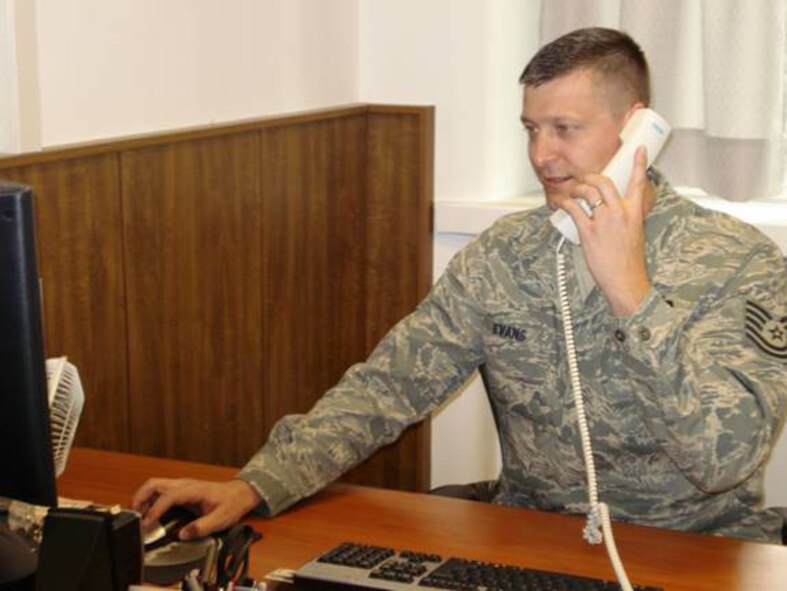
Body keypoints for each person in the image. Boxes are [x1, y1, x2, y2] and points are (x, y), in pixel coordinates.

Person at [133, 27, 787, 544]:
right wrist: (258, 483)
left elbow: (724, 459)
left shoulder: (739, 263)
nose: (540, 155)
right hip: (532, 538)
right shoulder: (504, 254)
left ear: (635, 129)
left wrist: (632, 295)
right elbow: (390, 383)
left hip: (696, 549)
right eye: (531, 129)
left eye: (564, 129)